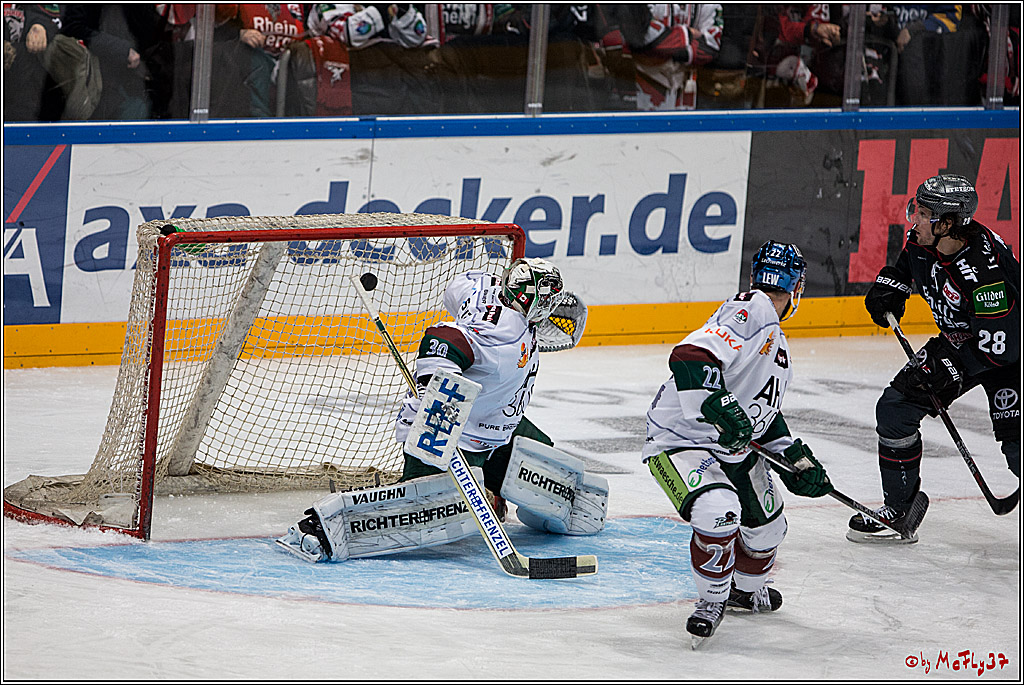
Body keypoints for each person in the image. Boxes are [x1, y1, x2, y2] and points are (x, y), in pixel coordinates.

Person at [276, 257, 609, 563]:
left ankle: (494, 487)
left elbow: (457, 288)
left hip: (499, 428)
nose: (552, 307)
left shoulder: (487, 290)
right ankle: (321, 529)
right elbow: (444, 337)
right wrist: (437, 388)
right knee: (422, 511)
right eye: (548, 300)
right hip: (450, 435)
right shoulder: (502, 331)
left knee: (550, 466)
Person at [643, 241, 833, 644]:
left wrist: (793, 459)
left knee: (768, 529)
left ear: (753, 273)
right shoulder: (754, 308)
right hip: (681, 439)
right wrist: (718, 405)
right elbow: (690, 356)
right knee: (719, 511)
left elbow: (760, 416)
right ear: (798, 288)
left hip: (731, 446)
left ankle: (744, 593)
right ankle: (712, 599)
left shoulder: (775, 345)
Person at [848, 174, 1020, 543]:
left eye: (924, 214)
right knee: (895, 409)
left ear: (947, 223)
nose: (915, 219)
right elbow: (905, 267)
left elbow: (1002, 347)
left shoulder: (984, 271)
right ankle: (900, 509)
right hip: (962, 339)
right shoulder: (924, 239)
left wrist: (949, 370)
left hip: (1010, 353)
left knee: (1017, 448)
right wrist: (890, 288)